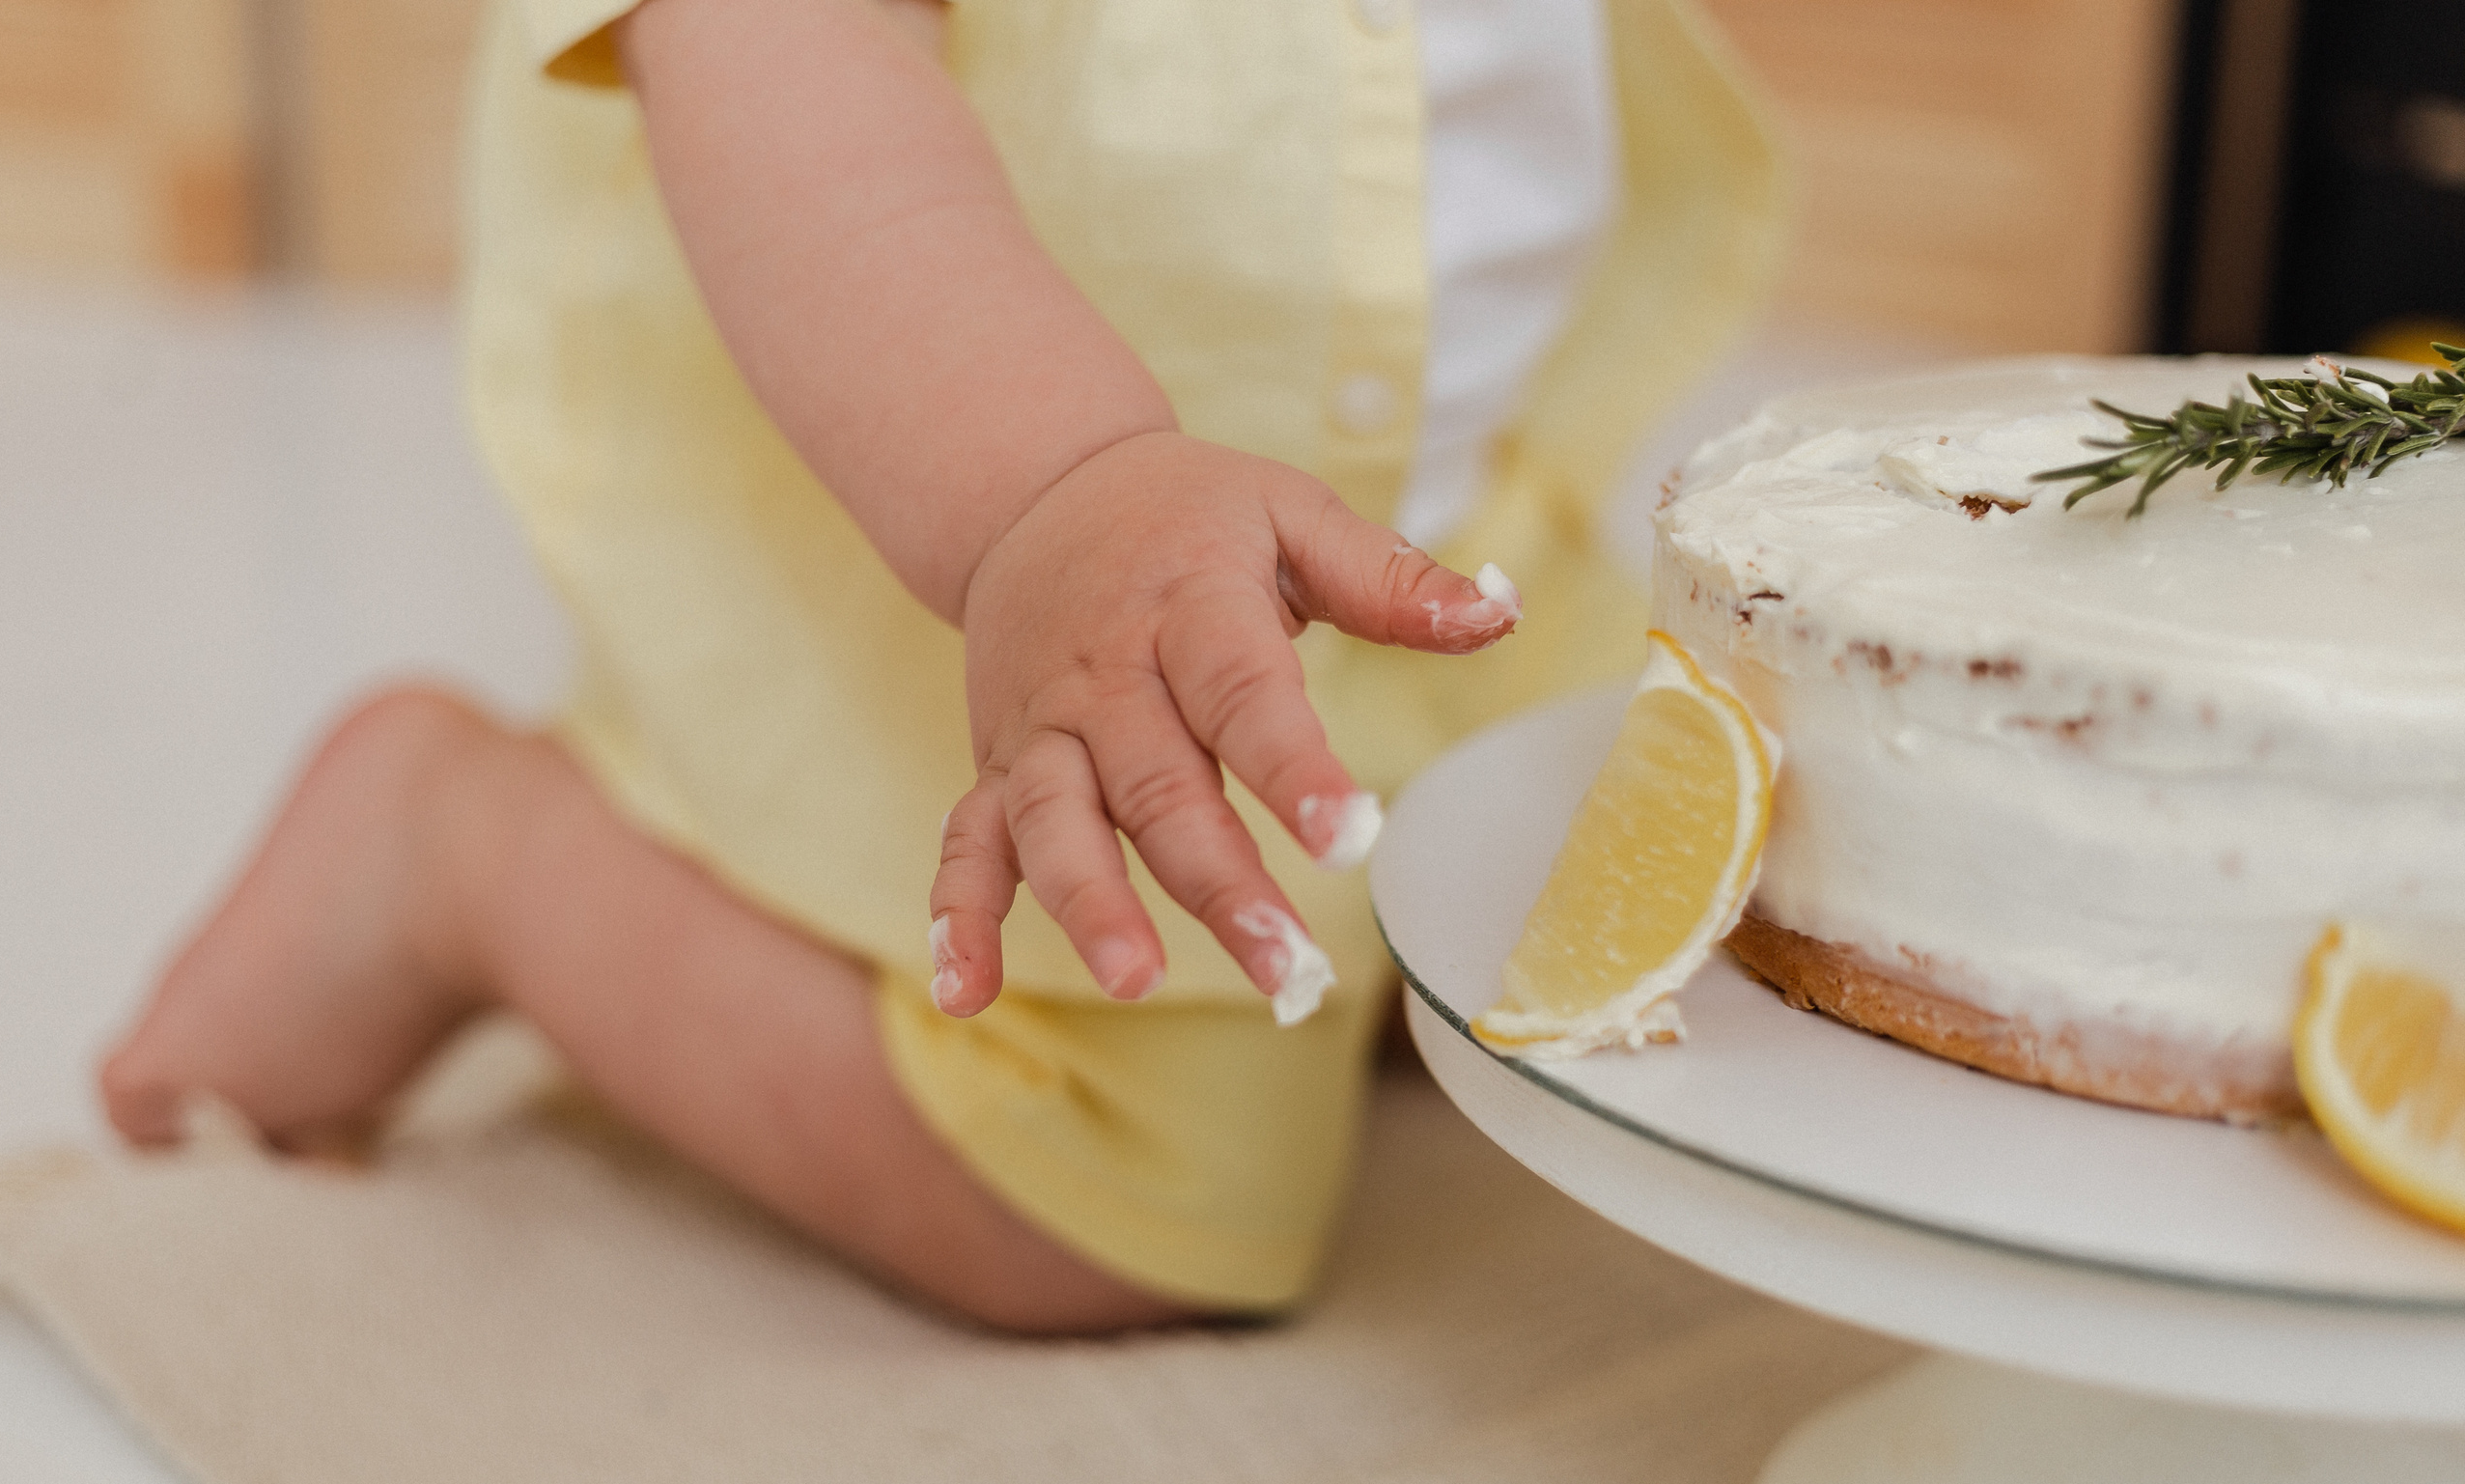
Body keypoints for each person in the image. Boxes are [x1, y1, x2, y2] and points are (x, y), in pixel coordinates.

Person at [99, 0, 1779, 1333]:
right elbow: (779, 60)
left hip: (1451, 510)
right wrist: (1055, 491)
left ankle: (1378, 902)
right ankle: (469, 848)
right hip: (975, 526)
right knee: (1154, 1193)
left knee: (1697, 888)